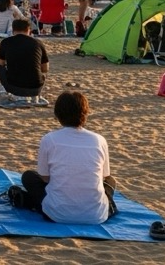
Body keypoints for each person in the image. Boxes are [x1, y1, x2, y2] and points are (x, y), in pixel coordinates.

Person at [18, 91, 117, 224]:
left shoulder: (49, 139)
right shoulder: (99, 140)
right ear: (85, 113)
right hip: (96, 215)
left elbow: (45, 178)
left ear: (58, 114)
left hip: (57, 213)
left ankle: (29, 201)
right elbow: (104, 176)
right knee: (110, 181)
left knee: (29, 177)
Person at [0, 19, 49, 101]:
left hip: (14, 87)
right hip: (36, 88)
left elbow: (0, 64)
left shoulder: (5, 42)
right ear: (29, 30)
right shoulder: (38, 43)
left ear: (13, 30)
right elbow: (45, 68)